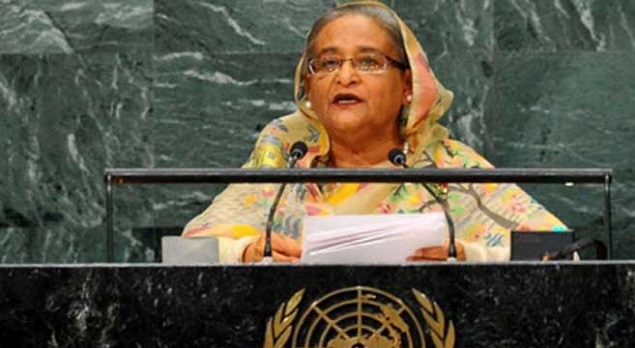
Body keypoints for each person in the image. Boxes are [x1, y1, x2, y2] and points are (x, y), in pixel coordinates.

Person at [182, 0, 567, 263]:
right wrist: (245, 253)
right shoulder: (282, 161)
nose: (345, 76)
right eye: (327, 63)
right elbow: (181, 257)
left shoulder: (448, 174)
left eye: (368, 62)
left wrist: (469, 256)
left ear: (408, 85)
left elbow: (566, 258)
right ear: (308, 85)